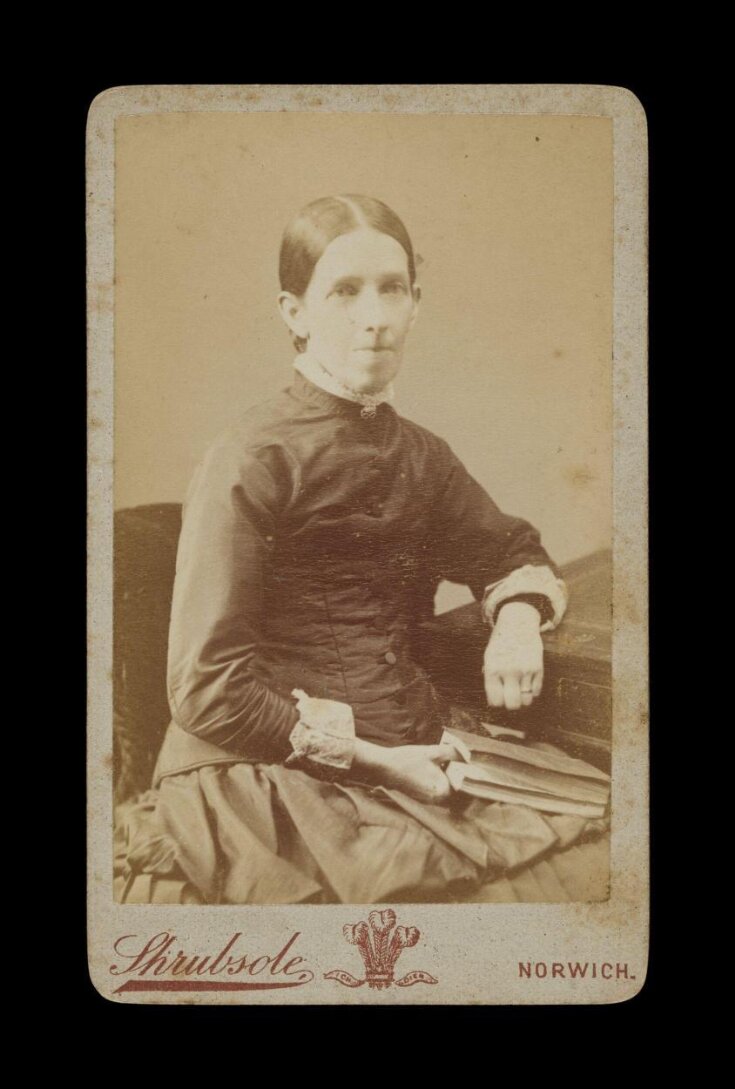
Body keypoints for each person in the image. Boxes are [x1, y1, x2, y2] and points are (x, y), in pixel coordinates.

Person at [119, 194, 601, 906]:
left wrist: (519, 622)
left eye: (391, 288)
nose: (373, 317)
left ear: (415, 303)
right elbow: (205, 689)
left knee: (607, 839)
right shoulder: (251, 457)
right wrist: (381, 762)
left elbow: (507, 550)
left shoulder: (421, 456)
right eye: (343, 291)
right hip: (266, 774)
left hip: (417, 743)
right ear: (294, 313)